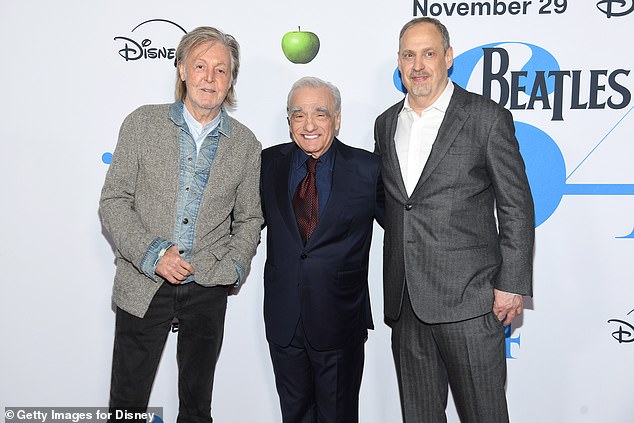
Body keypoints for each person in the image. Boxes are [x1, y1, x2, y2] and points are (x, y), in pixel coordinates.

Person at [374, 17, 535, 423]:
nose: (419, 65)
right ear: (398, 61)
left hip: (471, 300)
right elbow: (393, 205)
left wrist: (511, 284)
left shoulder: (485, 118)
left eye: (429, 53)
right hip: (407, 301)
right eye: (409, 55)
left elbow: (516, 205)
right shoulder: (386, 123)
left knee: (485, 415)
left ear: (448, 58)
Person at [99, 26, 263, 422]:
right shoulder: (141, 124)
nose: (210, 77)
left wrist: (233, 269)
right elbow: (113, 202)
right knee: (127, 403)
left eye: (221, 70)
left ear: (231, 80)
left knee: (196, 407)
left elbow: (250, 218)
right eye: (201, 66)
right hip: (143, 283)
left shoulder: (246, 144)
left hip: (207, 288)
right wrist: (155, 255)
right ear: (183, 70)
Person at [260, 76, 384, 423]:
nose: (309, 125)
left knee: (338, 416)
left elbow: (406, 227)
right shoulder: (267, 164)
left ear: (338, 118)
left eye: (320, 113)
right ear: (289, 121)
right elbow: (243, 223)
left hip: (340, 319)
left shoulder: (368, 169)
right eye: (298, 115)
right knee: (294, 415)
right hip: (285, 320)